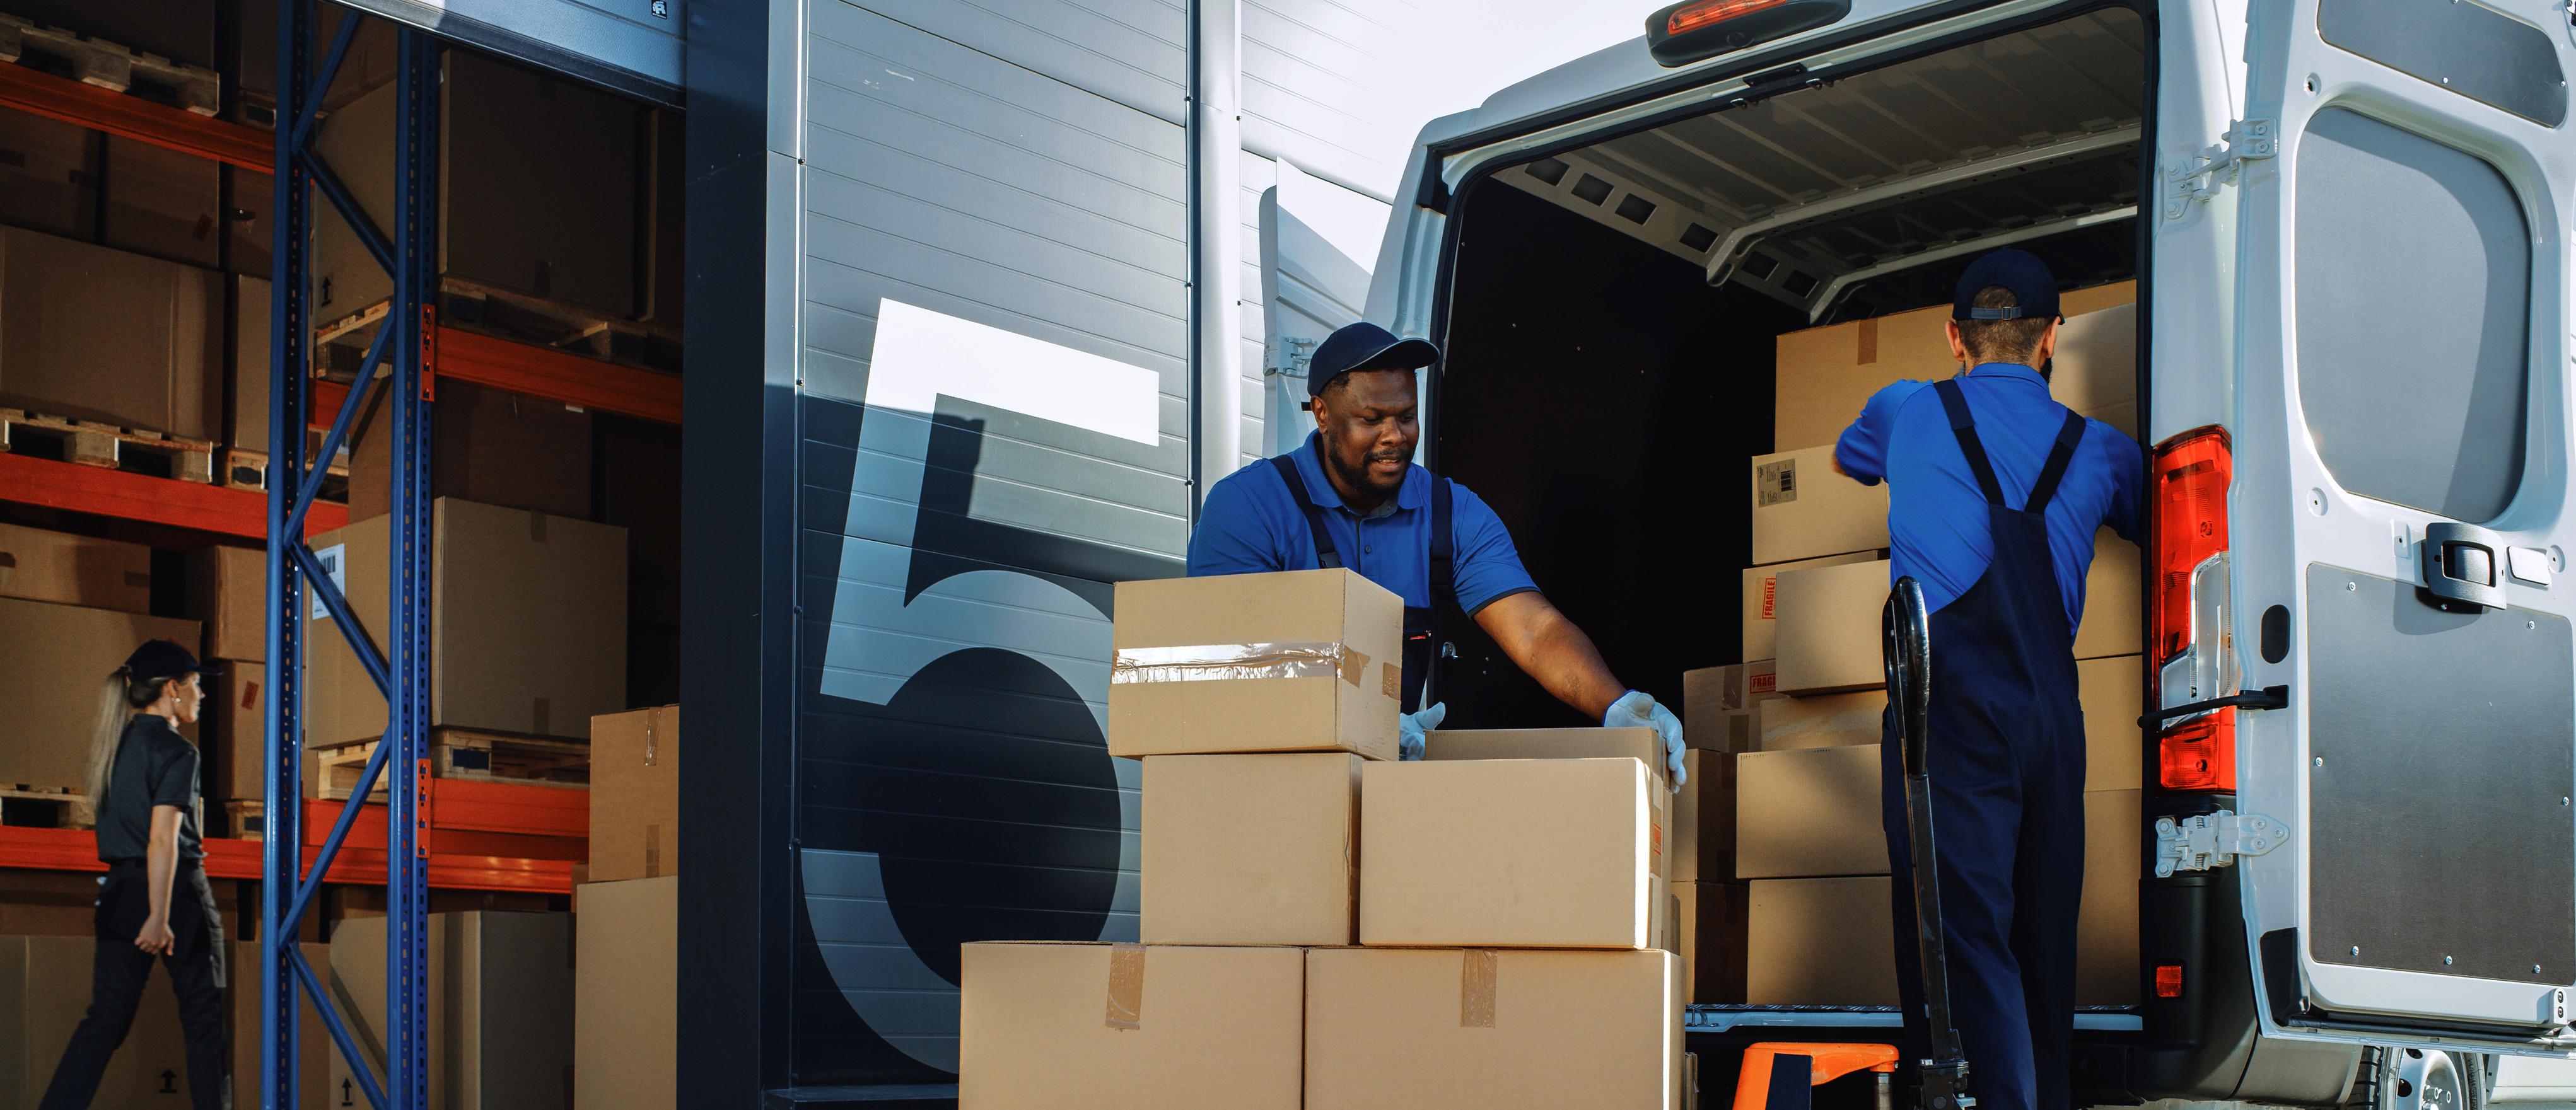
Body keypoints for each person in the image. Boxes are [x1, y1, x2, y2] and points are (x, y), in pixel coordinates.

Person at [1833, 249, 2143, 1110]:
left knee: (1963, 939)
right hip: (2051, 713)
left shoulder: (1903, 409)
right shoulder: (2102, 452)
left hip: (1948, 711)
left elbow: (1844, 462)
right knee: (2044, 938)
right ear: (2052, 337)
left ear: (1953, 337)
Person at [1187, 320, 1686, 783]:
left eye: (1406, 416)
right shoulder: (1248, 506)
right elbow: (1233, 661)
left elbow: (1535, 631)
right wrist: (1364, 723)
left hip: (1380, 785)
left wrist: (1615, 704)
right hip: (1261, 778)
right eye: (1371, 419)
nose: (1394, 437)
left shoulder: (1451, 512)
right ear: (1322, 413)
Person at [43, 640, 228, 1110]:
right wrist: (160, 916)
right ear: (172, 688)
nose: (202, 694)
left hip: (120, 891)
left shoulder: (113, 746)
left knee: (104, 1020)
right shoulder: (177, 752)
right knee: (204, 1019)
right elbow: (162, 839)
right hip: (174, 894)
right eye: (196, 684)